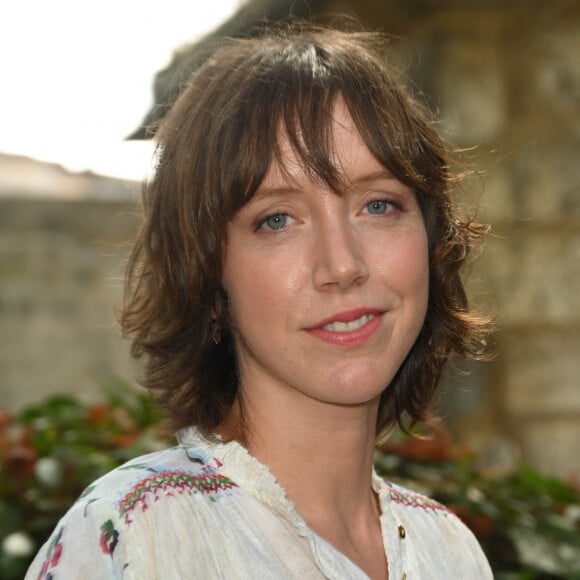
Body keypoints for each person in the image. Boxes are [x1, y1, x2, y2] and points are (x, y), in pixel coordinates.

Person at [26, 24, 493, 579]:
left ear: (432, 236)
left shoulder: (452, 553)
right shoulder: (137, 536)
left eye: (379, 205)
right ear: (210, 279)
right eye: (277, 219)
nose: (342, 265)